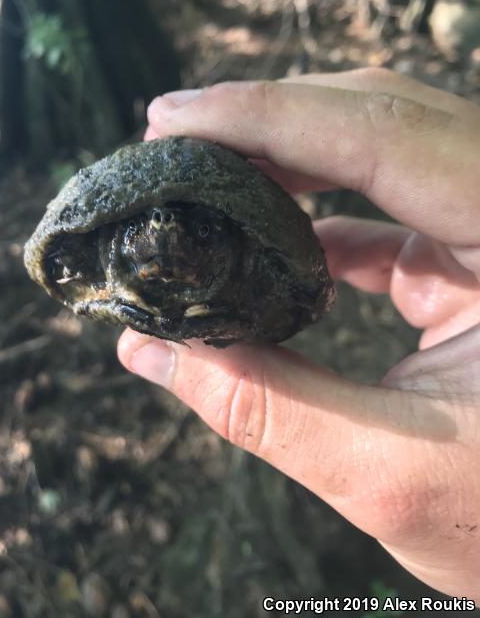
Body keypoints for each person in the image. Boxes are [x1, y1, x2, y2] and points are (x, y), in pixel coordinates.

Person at [117, 68, 480, 599]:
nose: (170, 243)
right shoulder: (103, 253)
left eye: (197, 233)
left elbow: (303, 282)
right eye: (146, 239)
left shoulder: (261, 263)